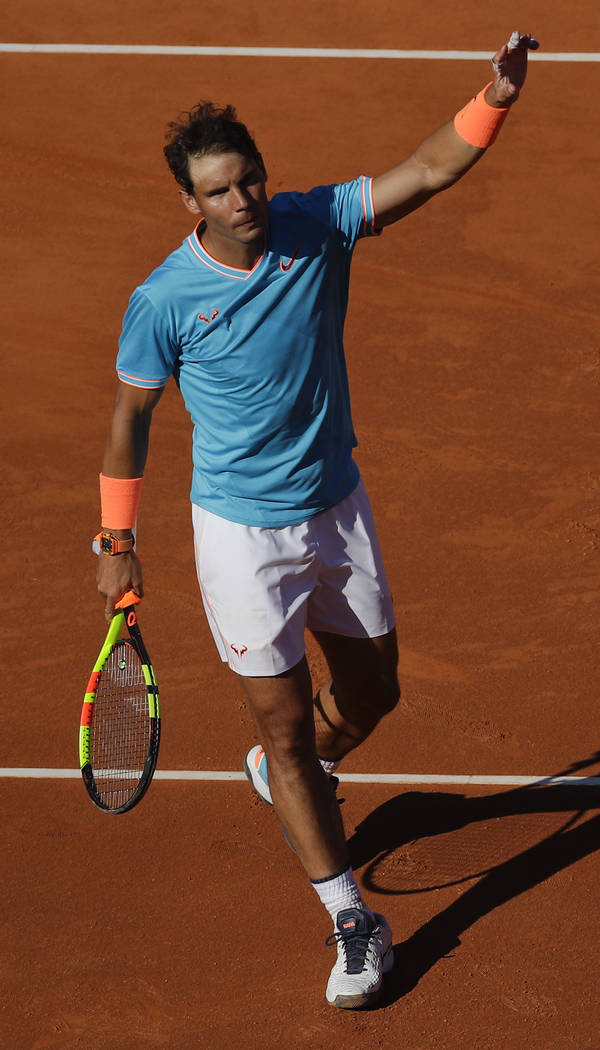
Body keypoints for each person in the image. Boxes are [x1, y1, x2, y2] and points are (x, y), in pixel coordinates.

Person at [95, 29, 536, 1009]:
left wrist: (494, 97)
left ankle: (296, 765)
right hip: (240, 539)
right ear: (190, 203)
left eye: (248, 179)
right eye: (218, 190)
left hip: (336, 511)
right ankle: (352, 919)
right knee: (286, 730)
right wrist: (116, 540)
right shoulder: (163, 302)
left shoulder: (316, 224)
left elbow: (426, 170)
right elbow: (130, 418)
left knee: (374, 692)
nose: (241, 201)